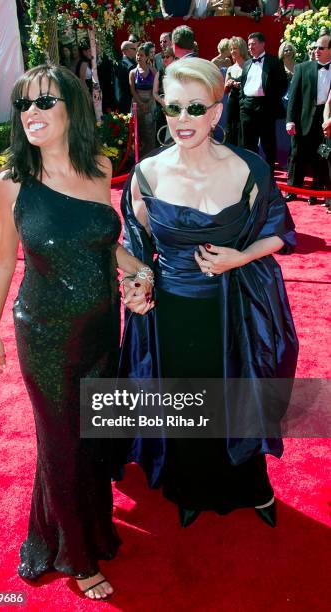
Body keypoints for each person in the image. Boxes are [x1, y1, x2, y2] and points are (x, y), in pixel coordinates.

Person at [0, 64, 153, 600]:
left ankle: (84, 527)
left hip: (103, 328)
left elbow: (105, 243)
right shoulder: (11, 184)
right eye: (23, 104)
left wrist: (139, 271)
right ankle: (77, 558)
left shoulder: (100, 167)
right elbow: (2, 260)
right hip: (46, 336)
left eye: (44, 102)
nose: (30, 113)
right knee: (60, 444)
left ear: (72, 108)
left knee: (92, 440)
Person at [120, 57, 298, 529]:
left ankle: (251, 487)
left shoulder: (250, 169)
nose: (183, 120)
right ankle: (191, 487)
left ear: (217, 112)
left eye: (195, 108)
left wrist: (239, 257)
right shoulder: (147, 174)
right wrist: (136, 282)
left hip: (236, 309)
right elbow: (136, 250)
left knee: (240, 398)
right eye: (174, 107)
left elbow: (281, 231)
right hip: (174, 314)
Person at [286, 33, 331, 204]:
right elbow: (294, 96)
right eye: (315, 47)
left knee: (322, 155)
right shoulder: (302, 68)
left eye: (321, 48)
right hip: (303, 118)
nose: (316, 51)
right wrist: (290, 120)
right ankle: (292, 190)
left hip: (326, 118)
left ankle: (317, 192)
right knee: (298, 155)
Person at [239, 32, 287, 174]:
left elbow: (283, 85)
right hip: (247, 107)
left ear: (262, 44)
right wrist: (243, 102)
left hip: (266, 107)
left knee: (268, 144)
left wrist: (271, 101)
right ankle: (250, 172)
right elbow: (243, 85)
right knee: (248, 144)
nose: (250, 47)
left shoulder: (274, 62)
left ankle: (269, 174)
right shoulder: (247, 63)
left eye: (253, 44)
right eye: (248, 45)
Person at [129, 44, 157, 158]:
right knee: (137, 132)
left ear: (146, 57)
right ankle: (137, 158)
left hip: (150, 104)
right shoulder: (132, 72)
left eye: (141, 55)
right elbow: (132, 91)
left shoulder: (154, 71)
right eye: (137, 55)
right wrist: (141, 104)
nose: (138, 57)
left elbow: (155, 90)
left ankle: (150, 156)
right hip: (137, 104)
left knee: (149, 133)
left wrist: (148, 103)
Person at [224, 36, 248, 145]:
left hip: (244, 103)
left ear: (241, 49)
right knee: (231, 128)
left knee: (242, 129)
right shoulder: (230, 68)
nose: (232, 51)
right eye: (231, 49)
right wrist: (228, 84)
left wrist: (241, 85)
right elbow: (225, 91)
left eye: (235, 48)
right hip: (232, 103)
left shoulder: (249, 65)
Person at [153, 46, 176, 139]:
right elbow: (154, 92)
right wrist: (163, 102)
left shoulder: (178, 72)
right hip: (162, 106)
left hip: (175, 107)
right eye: (163, 57)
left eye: (167, 56)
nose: (165, 59)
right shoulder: (160, 72)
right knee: (160, 135)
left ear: (174, 58)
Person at [114, 41, 137, 113]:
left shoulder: (118, 64)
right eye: (134, 49)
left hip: (121, 99)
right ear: (126, 50)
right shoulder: (126, 65)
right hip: (128, 100)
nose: (136, 51)